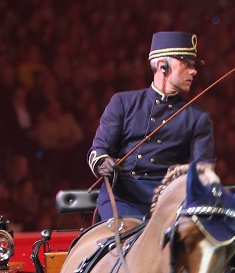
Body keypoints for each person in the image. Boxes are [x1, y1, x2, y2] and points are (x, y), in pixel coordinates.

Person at [87, 31, 214, 221]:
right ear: (163, 66)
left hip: (169, 202)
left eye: (194, 65)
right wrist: (103, 162)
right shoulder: (123, 102)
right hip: (122, 198)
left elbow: (203, 170)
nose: (194, 71)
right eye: (186, 64)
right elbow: (98, 150)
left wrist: (184, 174)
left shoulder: (198, 118)